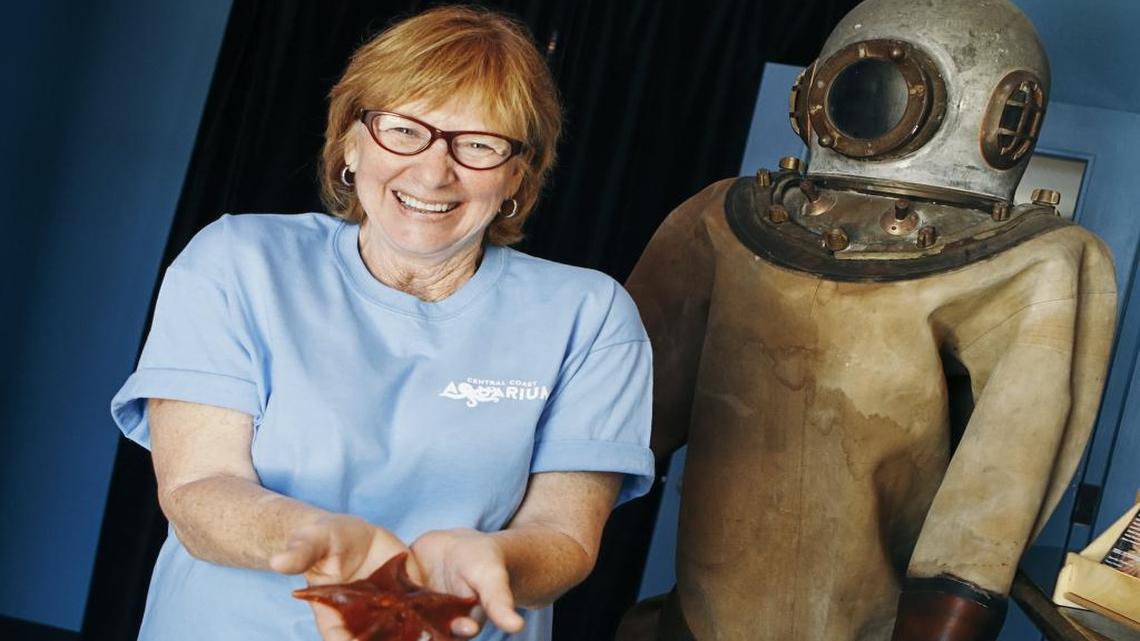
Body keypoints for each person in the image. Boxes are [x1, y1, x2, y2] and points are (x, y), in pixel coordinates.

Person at [110, 7, 654, 641]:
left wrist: (496, 559)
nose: (432, 171)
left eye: (478, 144)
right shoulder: (236, 262)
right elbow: (199, 488)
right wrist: (313, 541)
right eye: (403, 129)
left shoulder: (591, 316)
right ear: (351, 140)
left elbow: (564, 536)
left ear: (519, 174)